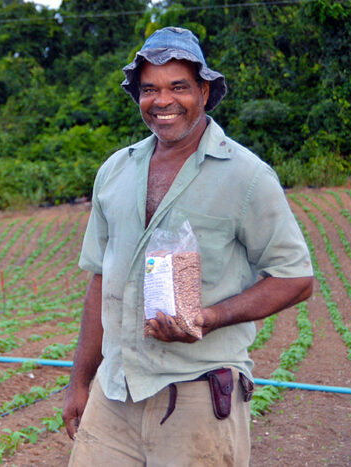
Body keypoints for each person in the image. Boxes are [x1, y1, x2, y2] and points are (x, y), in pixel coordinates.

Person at [62, 26, 314, 466]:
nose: (162, 101)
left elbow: (295, 278)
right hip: (115, 392)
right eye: (149, 89)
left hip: (197, 395)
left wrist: (211, 316)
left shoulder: (245, 176)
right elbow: (101, 280)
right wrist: (80, 383)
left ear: (204, 90)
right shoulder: (116, 171)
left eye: (178, 86)